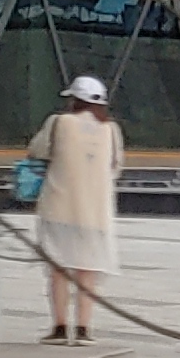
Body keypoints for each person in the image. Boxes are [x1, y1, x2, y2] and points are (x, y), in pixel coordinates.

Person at [26, 76, 125, 344]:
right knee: (88, 271)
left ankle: (59, 327)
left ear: (74, 100)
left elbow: (37, 150)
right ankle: (83, 329)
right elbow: (116, 166)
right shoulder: (111, 130)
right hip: (96, 212)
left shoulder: (58, 122)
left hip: (59, 207)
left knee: (59, 269)